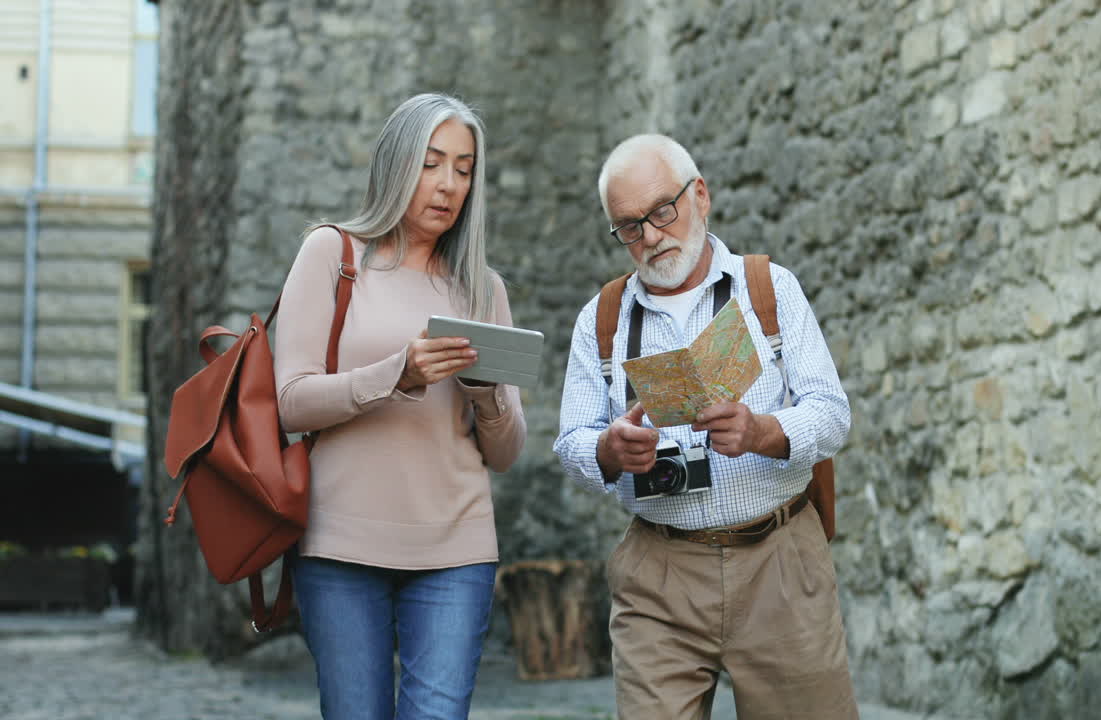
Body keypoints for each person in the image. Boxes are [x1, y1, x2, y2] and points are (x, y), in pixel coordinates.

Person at [554, 134, 858, 719]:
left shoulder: (768, 289)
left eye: (661, 212)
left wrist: (763, 432)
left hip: (779, 559)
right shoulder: (602, 319)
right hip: (659, 571)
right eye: (629, 226)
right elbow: (571, 442)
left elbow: (831, 411)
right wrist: (609, 449)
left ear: (700, 194)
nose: (650, 237)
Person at [273, 93, 526, 720]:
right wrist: (398, 374)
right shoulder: (333, 254)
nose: (447, 185)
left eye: (463, 170)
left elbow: (506, 452)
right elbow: (290, 403)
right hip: (339, 543)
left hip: (456, 549)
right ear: (396, 164)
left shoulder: (482, 288)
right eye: (431, 163)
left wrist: (486, 393)